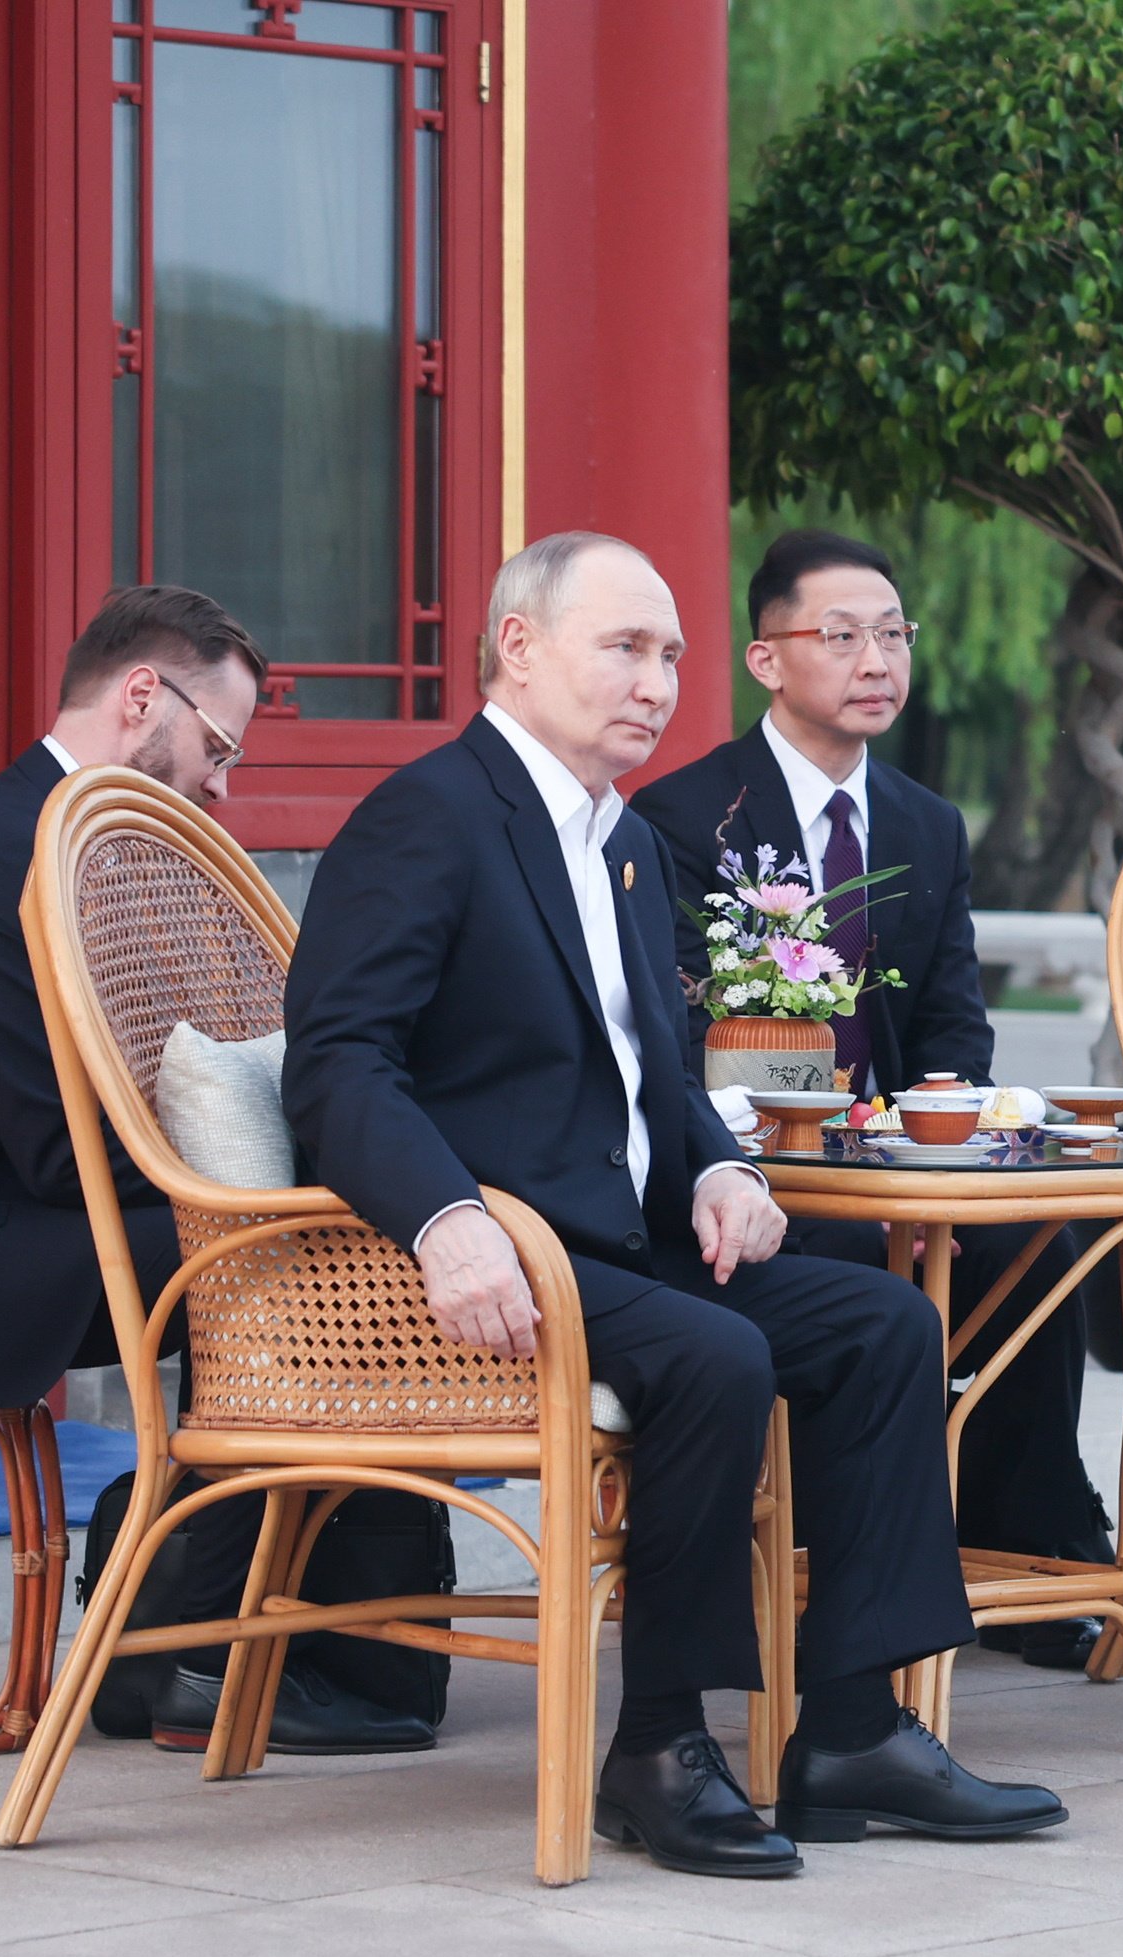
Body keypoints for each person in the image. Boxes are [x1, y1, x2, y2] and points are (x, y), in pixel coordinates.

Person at [282, 530, 1068, 1879]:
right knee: (719, 1354)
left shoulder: (629, 845)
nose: (655, 683)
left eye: (671, 658)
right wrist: (443, 1220)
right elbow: (339, 1064)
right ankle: (657, 1746)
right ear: (519, 649)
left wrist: (724, 1168)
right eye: (624, 649)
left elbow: (665, 1074)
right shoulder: (432, 816)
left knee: (880, 1324)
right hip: (509, 1252)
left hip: (632, 1236)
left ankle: (853, 1730)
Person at [0, 586, 428, 1755]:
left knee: (325, 1245)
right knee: (294, 1265)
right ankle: (180, 1642)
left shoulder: (78, 837)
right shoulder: (1, 848)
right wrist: (254, 1193)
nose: (223, 782)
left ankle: (208, 1617)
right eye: (219, 744)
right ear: (141, 696)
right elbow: (63, 1149)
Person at [632, 529, 1116, 1669]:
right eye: (839, 635)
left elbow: (953, 1017)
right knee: (855, 1269)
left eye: (892, 634)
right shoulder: (683, 816)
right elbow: (689, 1024)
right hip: (756, 1165)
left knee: (1039, 1249)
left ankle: (1031, 1549)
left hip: (898, 1154)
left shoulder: (925, 823)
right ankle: (837, 1567)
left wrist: (939, 1116)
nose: (874, 659)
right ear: (765, 658)